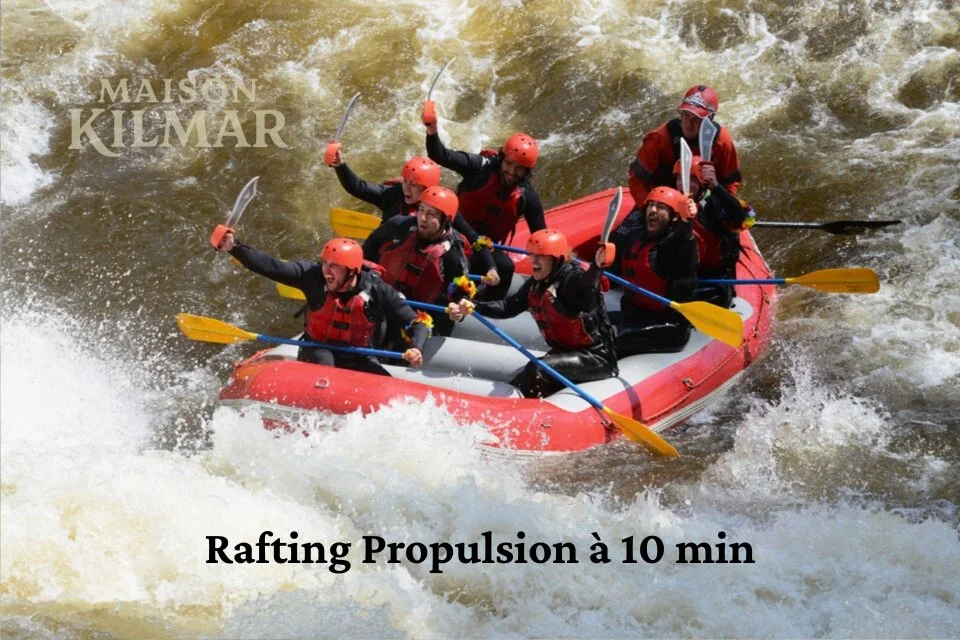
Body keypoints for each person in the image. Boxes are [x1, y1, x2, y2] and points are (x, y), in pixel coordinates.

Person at [214, 234, 429, 375]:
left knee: (386, 386)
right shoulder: (313, 277)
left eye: (334, 267)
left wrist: (416, 348)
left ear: (352, 271)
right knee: (327, 370)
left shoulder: (377, 290)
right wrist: (234, 247)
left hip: (358, 354)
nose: (327, 270)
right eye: (325, 263)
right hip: (317, 348)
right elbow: (271, 267)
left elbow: (416, 321)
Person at [447, 229, 618, 399]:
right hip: (562, 353)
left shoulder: (571, 281)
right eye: (532, 255)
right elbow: (508, 307)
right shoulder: (536, 284)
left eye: (540, 256)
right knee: (519, 381)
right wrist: (474, 307)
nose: (534, 261)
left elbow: (587, 286)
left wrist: (597, 266)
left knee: (538, 369)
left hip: (596, 358)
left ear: (556, 259)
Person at [423, 104, 546, 300]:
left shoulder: (527, 196)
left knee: (505, 267)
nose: (511, 172)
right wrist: (432, 130)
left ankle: (484, 307)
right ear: (502, 158)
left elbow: (541, 237)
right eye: (508, 164)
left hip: (484, 249)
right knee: (456, 263)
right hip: (450, 235)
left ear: (527, 172)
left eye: (519, 169)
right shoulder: (480, 168)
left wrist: (562, 263)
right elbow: (439, 154)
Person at [325, 147, 498, 284]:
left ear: (427, 188)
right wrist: (340, 165)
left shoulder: (443, 210)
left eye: (414, 185)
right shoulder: (393, 195)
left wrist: (490, 268)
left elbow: (475, 240)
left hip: (420, 270)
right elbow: (358, 187)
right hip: (387, 263)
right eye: (406, 182)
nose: (406, 189)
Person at [363, 185, 472, 336]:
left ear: (446, 220)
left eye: (430, 214)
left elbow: (461, 292)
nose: (423, 218)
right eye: (421, 210)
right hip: (385, 299)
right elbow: (369, 249)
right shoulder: (399, 225)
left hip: (419, 313)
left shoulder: (452, 254)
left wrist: (459, 310)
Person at [608, 186, 698, 356]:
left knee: (608, 336)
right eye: (651, 205)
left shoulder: (676, 246)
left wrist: (687, 223)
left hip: (669, 328)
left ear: (673, 218)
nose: (653, 211)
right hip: (635, 314)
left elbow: (684, 241)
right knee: (594, 325)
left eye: (661, 207)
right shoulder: (637, 237)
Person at [627, 85, 742, 207]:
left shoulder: (722, 141)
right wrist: (650, 209)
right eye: (686, 115)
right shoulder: (658, 139)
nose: (688, 124)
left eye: (696, 119)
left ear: (710, 119)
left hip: (703, 200)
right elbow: (636, 181)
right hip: (662, 201)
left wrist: (725, 208)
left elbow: (731, 183)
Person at [676, 155, 755, 308]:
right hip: (686, 275)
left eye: (690, 179)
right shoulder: (674, 202)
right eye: (679, 178)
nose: (682, 184)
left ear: (701, 182)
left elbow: (740, 217)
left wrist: (716, 187)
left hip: (715, 278)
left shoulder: (716, 203)